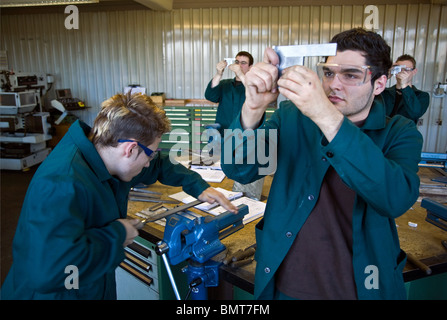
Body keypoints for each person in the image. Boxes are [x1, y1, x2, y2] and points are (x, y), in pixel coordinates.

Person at [221, 28, 422, 299]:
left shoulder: (400, 131)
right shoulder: (292, 116)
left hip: (360, 288)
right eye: (328, 73)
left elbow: (394, 198)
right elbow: (238, 170)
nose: (333, 85)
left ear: (379, 83)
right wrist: (253, 108)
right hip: (284, 286)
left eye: (350, 75)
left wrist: (325, 114)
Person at [1, 92, 237, 300]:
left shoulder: (107, 157)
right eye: (150, 154)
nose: (147, 165)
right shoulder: (62, 185)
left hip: (91, 285)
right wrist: (117, 234)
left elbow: (159, 166)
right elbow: (50, 272)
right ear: (131, 149)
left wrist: (198, 186)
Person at [205, 51, 265, 200]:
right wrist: (219, 73)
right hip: (221, 136)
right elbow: (210, 96)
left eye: (243, 63)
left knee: (242, 174)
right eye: (237, 62)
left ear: (250, 67)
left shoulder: (254, 85)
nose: (239, 65)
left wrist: (242, 75)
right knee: (218, 175)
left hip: (245, 139)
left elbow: (255, 96)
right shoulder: (225, 85)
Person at [381, 54, 430, 123]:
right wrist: (385, 76)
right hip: (383, 132)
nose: (402, 72)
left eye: (406, 69)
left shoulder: (422, 96)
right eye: (399, 69)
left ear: (414, 71)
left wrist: (404, 85)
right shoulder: (384, 92)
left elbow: (415, 114)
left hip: (404, 132)